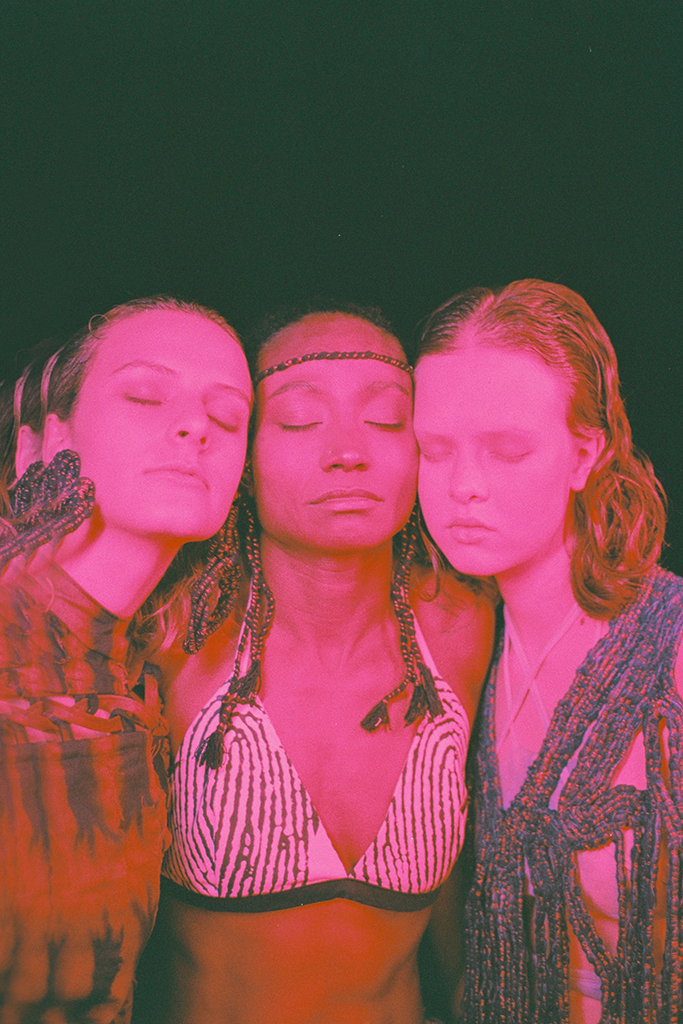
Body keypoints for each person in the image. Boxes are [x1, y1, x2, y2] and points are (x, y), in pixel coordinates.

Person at [152, 307, 494, 1024]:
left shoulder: (462, 626)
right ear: (244, 457)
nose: (347, 453)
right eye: (300, 420)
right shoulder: (176, 633)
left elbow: (464, 899)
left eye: (385, 419)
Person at [412, 279, 683, 1024]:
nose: (463, 486)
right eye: (434, 450)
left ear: (584, 454)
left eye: (506, 450)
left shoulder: (668, 653)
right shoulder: (459, 650)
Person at [0, 296, 252, 1023]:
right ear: (42, 443)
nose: (196, 426)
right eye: (144, 395)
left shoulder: (143, 678)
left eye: (228, 415)